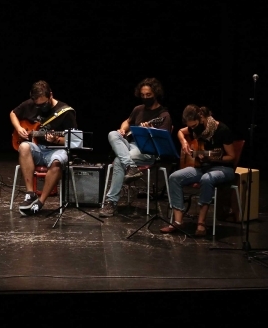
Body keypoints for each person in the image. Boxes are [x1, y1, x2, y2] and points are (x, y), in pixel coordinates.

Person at [99, 78, 172, 217]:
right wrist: (122, 129)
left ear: (155, 94)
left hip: (147, 151)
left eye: (148, 95)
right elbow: (127, 121)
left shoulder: (163, 115)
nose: (145, 97)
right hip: (131, 146)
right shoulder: (138, 109)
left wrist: (150, 130)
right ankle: (131, 167)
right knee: (113, 134)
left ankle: (111, 202)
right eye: (143, 95)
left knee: (120, 160)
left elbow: (163, 140)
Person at [160, 105, 237, 236]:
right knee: (175, 177)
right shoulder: (194, 128)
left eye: (194, 125)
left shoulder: (222, 130)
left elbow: (231, 156)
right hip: (204, 168)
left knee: (206, 179)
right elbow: (180, 132)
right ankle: (178, 222)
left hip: (223, 168)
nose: (192, 129)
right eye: (191, 126)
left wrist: (212, 157)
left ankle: (201, 223)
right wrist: (184, 143)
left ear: (201, 117)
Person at [10, 80, 77, 216]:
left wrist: (57, 139)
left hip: (56, 150)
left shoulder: (65, 112)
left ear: (50, 95)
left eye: (44, 104)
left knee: (57, 161)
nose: (41, 107)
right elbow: (12, 113)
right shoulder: (31, 104)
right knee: (23, 146)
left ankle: (40, 202)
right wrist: (19, 128)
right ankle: (30, 194)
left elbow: (74, 140)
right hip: (38, 148)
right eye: (38, 105)